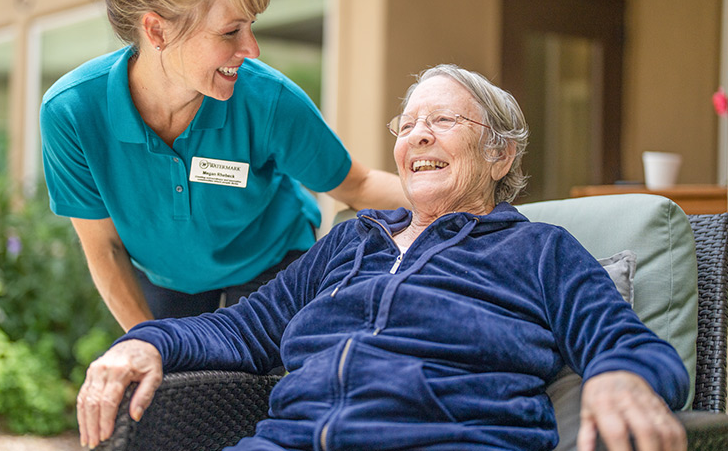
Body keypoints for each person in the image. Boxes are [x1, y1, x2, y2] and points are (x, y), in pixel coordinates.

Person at [77, 64, 688, 451]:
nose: (417, 135)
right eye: (408, 124)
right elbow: (244, 328)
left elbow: (626, 341)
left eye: (443, 120)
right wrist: (148, 341)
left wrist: (622, 377)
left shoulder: (536, 248)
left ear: (500, 157)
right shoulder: (352, 240)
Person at [39, 0, 408, 330]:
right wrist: (150, 344)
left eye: (251, 26)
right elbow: (104, 248)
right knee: (175, 388)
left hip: (272, 264)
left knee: (252, 389)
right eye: (231, 31)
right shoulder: (72, 112)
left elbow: (356, 186)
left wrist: (471, 199)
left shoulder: (269, 101)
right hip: (166, 280)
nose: (251, 49)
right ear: (157, 31)